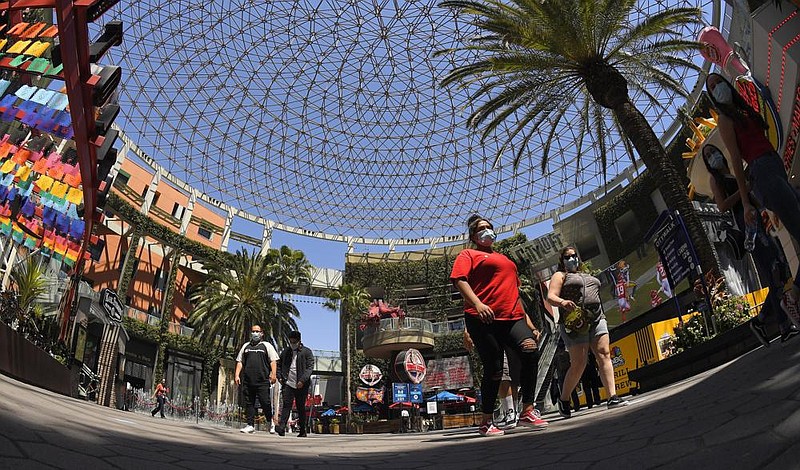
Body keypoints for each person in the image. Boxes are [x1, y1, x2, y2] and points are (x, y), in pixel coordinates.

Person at [450, 214, 548, 437]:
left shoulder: (505, 260)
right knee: (494, 370)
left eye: (489, 227)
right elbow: (459, 280)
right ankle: (486, 421)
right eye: (482, 229)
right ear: (474, 236)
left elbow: (514, 294)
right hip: (482, 318)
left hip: (512, 317)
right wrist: (478, 304)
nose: (487, 231)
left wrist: (529, 323)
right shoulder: (469, 254)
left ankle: (527, 410)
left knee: (530, 350)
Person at [705, 73, 800, 303]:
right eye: (713, 87)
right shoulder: (725, 121)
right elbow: (737, 160)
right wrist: (746, 202)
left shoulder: (742, 110)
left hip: (773, 164)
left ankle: (794, 294)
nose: (718, 87)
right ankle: (794, 295)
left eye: (719, 82)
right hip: (762, 172)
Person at [701, 143, 799, 344]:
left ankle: (762, 320)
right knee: (772, 271)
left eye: (714, 151)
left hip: (757, 221)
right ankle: (783, 326)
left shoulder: (731, 173)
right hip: (747, 227)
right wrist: (742, 191)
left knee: (779, 269)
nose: (713, 156)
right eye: (709, 155)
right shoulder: (716, 180)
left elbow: (751, 196)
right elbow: (721, 206)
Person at [547, 246, 627, 419]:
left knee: (604, 354)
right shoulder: (560, 275)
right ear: (562, 260)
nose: (572, 258)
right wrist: (562, 302)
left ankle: (612, 396)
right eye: (568, 256)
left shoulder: (587, 273)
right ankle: (564, 399)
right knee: (579, 363)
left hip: (597, 318)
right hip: (575, 322)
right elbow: (551, 297)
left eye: (575, 255)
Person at [235, 324, 279, 434]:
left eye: (257, 331)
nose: (255, 333)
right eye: (253, 331)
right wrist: (236, 375)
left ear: (262, 333)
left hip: (262, 381)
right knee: (249, 403)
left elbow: (273, 361)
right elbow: (240, 361)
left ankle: (270, 423)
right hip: (248, 381)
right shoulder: (246, 346)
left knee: (265, 402)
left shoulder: (266, 346)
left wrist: (273, 374)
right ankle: (250, 425)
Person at [276, 330, 314, 437]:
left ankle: (303, 430)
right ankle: (282, 427)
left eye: (294, 341)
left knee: (300, 406)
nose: (292, 343)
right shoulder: (286, 352)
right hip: (288, 383)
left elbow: (310, 367)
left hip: (302, 384)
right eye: (291, 341)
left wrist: (302, 380)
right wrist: (280, 377)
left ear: (299, 340)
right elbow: (279, 365)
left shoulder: (307, 352)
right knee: (286, 405)